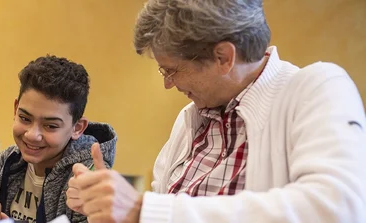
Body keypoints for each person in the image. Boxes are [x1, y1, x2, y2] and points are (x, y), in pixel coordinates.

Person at [67, 0, 366, 222]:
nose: (168, 84)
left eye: (171, 70)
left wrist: (141, 209)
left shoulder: (318, 88)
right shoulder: (190, 119)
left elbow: (338, 208)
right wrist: (107, 205)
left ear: (223, 57)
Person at [0, 55, 117, 223]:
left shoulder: (86, 178)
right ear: (15, 109)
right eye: (25, 118)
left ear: (77, 128)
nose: (32, 135)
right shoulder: (8, 162)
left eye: (50, 126)